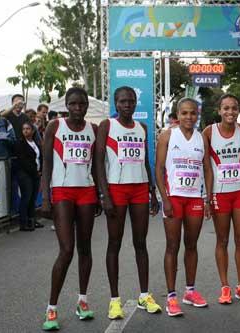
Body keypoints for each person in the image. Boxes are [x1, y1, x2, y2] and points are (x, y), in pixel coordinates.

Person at [95, 86, 160, 320]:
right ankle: (114, 300)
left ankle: (144, 294)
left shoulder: (142, 128)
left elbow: (144, 161)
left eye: (131, 101)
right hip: (116, 190)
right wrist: (104, 194)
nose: (127, 105)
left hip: (140, 189)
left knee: (140, 243)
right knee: (114, 244)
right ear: (115, 103)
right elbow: (99, 161)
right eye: (123, 101)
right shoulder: (107, 126)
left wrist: (153, 191)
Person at [41, 87, 98, 331]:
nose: (78, 108)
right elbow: (46, 162)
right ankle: (51, 308)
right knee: (67, 250)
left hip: (86, 191)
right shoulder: (55, 126)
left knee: (85, 249)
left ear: (86, 106)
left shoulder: (93, 130)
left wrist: (100, 195)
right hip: (62, 192)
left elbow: (96, 165)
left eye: (82, 104)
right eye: (73, 104)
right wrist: (45, 198)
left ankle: (82, 302)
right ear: (66, 105)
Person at [155, 97, 211, 316]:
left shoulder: (201, 138)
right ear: (177, 115)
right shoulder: (168, 135)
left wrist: (207, 198)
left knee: (192, 244)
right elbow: (159, 168)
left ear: (198, 115)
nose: (189, 117)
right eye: (185, 113)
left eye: (193, 113)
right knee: (172, 245)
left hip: (194, 198)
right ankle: (171, 296)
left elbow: (207, 169)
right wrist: (165, 199)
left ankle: (190, 291)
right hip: (174, 197)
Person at [202, 94, 240, 304]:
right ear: (219, 110)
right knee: (222, 240)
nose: (230, 112)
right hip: (219, 193)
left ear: (238, 110)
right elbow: (206, 167)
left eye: (234, 108)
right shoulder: (208, 132)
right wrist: (206, 197)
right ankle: (225, 287)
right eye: (226, 108)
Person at [14, 121, 42, 231]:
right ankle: (23, 223)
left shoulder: (35, 143)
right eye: (24, 129)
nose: (26, 131)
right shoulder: (20, 143)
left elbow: (39, 158)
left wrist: (40, 171)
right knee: (26, 197)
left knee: (33, 198)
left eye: (28, 129)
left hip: (36, 173)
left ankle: (32, 220)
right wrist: (35, 172)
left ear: (33, 130)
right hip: (25, 174)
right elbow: (23, 161)